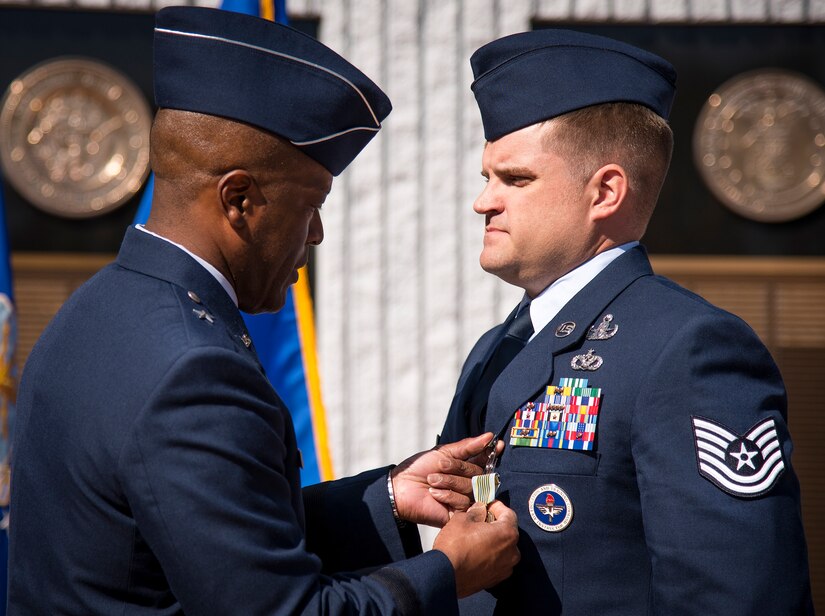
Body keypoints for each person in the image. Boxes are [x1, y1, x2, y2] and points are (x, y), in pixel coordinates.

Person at [7, 7, 520, 615]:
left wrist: (384, 497)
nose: (318, 234)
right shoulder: (192, 371)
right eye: (311, 205)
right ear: (240, 200)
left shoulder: (98, 308)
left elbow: (204, 537)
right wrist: (446, 572)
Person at [437, 29, 814, 614]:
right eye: (488, 179)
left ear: (605, 192)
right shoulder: (501, 346)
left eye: (516, 179)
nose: (484, 202)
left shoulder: (688, 348)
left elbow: (737, 597)